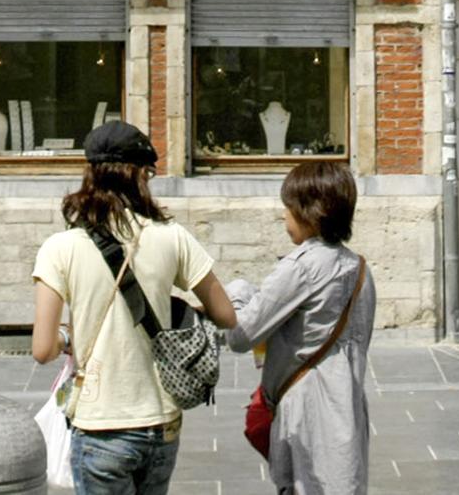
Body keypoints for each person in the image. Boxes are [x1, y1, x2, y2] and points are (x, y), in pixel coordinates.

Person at [31, 117, 240, 495]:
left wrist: (68, 336)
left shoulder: (59, 248)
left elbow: (42, 349)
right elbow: (226, 315)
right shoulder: (172, 237)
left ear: (90, 174)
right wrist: (173, 306)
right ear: (141, 175)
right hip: (161, 423)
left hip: (99, 426)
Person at [223, 159, 373, 495]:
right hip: (347, 407)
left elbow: (240, 335)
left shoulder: (301, 268)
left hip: (306, 411)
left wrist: (237, 293)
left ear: (311, 213)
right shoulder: (360, 268)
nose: (283, 216)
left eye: (288, 208)